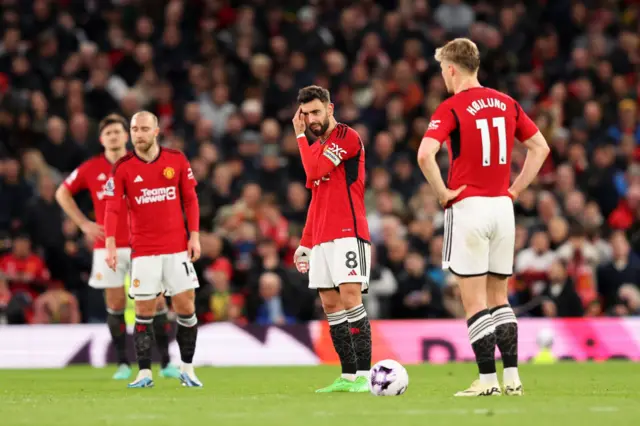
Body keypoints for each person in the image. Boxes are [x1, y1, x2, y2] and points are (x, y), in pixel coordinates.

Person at [417, 38, 550, 396]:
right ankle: (513, 379)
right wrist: (517, 189)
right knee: (500, 298)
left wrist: (443, 193)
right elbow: (541, 148)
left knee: (474, 301)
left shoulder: (452, 106)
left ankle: (487, 381)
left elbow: (425, 154)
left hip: (469, 206)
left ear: (450, 69)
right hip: (502, 208)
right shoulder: (507, 103)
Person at [55, 114, 180, 380]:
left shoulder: (142, 163)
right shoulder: (90, 168)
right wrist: (84, 224)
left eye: (117, 132)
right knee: (115, 303)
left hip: (143, 244)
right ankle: (123, 363)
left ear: (127, 136)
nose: (113, 136)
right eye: (108, 133)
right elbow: (61, 192)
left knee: (157, 302)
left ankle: (167, 361)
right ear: (102, 139)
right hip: (107, 247)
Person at [103, 111, 202, 388]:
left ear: (156, 131)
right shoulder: (122, 167)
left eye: (144, 128)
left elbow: (190, 200)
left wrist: (194, 236)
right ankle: (144, 372)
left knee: (185, 306)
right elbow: (112, 208)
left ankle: (188, 369)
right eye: (134, 129)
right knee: (144, 310)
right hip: (144, 251)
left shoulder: (176, 159)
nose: (138, 133)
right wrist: (110, 243)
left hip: (176, 250)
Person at [292, 85, 372, 393]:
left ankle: (364, 374)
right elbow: (316, 198)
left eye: (315, 111)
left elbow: (314, 171)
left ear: (330, 108)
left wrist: (299, 136)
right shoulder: (315, 149)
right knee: (330, 304)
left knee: (351, 298)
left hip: (349, 234)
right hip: (323, 238)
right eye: (306, 114)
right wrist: (305, 241)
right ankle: (348, 375)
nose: (311, 119)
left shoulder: (346, 138)